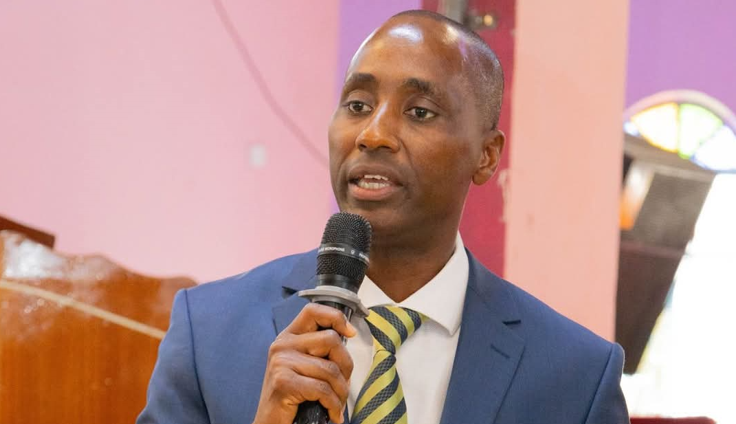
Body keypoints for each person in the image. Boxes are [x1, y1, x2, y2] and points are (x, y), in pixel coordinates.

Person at [137, 10, 630, 424]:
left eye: (419, 112)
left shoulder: (576, 376)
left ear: (485, 155)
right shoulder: (207, 333)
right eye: (358, 104)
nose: (373, 134)